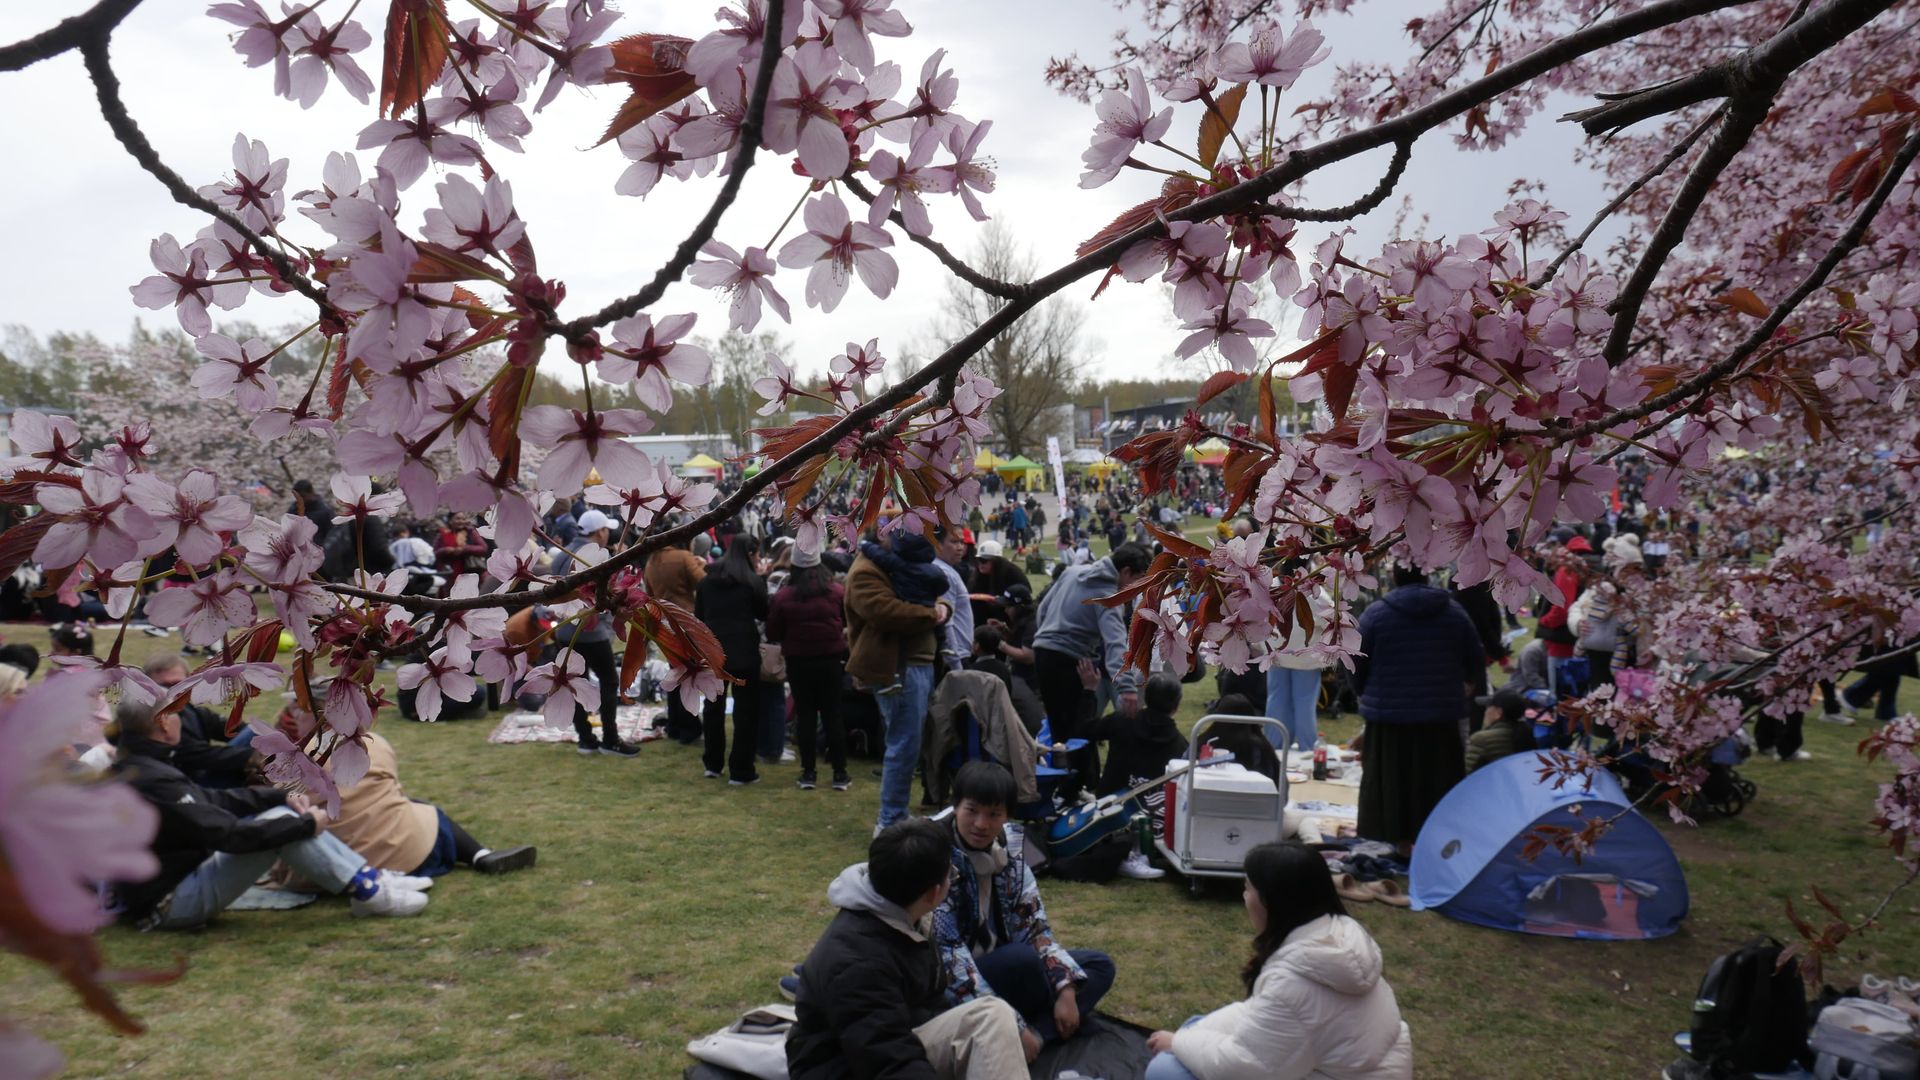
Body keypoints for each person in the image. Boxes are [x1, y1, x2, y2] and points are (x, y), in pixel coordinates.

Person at [109, 701, 430, 928]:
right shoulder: (152, 778)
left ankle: (366, 880)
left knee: (282, 817)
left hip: (172, 884)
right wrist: (305, 825)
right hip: (167, 903)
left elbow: (214, 799)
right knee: (283, 826)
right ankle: (366, 889)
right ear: (165, 723)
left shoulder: (140, 766)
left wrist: (279, 796)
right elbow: (229, 836)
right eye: (178, 714)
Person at [1143, 842, 1413, 1080]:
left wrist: (1178, 1043)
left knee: (1165, 1070)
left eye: (1248, 888)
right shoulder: (1336, 936)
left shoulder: (1295, 981)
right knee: (1194, 1026)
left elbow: (1244, 1067)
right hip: (1363, 1067)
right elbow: (1270, 1017)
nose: (1244, 896)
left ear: (1272, 901)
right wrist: (1188, 1036)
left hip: (1338, 1071)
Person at [786, 819, 1026, 1079]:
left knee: (990, 1017)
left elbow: (929, 1010)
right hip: (848, 1068)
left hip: (897, 1043)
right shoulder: (857, 962)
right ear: (934, 893)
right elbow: (887, 1061)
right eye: (950, 874)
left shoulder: (905, 917)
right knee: (989, 1019)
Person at [933, 763, 1116, 1057]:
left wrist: (1066, 989)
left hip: (1007, 968)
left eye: (994, 815)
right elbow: (950, 958)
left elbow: (1034, 926)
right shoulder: (934, 857)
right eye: (972, 811)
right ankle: (1026, 1030)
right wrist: (1015, 1026)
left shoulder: (1010, 848)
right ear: (955, 807)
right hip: (953, 984)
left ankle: (1038, 1035)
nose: (981, 824)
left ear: (1007, 815)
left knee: (1099, 966)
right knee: (1021, 960)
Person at [1351, 566, 1484, 853]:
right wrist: (1467, 684)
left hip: (1389, 713)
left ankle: (1397, 841)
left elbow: (1355, 662)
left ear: (1394, 577)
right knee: (1436, 781)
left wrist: (1364, 692)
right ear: (1426, 574)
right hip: (1440, 713)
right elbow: (1475, 657)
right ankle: (1435, 842)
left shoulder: (1376, 614)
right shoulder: (1453, 612)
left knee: (1394, 783)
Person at [317, 725, 536, 877]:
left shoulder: (305, 753)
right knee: (427, 813)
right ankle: (480, 855)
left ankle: (480, 856)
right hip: (402, 856)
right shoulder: (373, 743)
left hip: (329, 867)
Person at [846, 531, 950, 831]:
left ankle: (896, 815)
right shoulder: (866, 570)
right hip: (900, 668)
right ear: (882, 534)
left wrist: (943, 606)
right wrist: (932, 614)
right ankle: (890, 821)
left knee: (908, 744)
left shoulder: (894, 563)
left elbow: (926, 589)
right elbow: (884, 612)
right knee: (903, 745)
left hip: (914, 665)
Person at [1031, 542, 1152, 794]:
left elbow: (1042, 608)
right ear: (1125, 572)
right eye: (1138, 580)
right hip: (1070, 661)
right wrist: (1127, 688)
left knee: (1059, 728)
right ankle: (1074, 789)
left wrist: (1045, 638)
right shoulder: (1108, 596)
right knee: (1079, 730)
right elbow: (1116, 643)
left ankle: (1065, 786)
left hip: (1043, 652)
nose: (1137, 588)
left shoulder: (1073, 571)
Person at [548, 510, 641, 758]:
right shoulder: (599, 556)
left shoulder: (561, 554)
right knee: (608, 682)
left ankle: (586, 739)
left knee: (575, 684)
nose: (608, 534)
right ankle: (610, 739)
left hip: (564, 630)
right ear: (600, 532)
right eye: (606, 530)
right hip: (592, 632)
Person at [1082, 672, 1188, 880]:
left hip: (1108, 809)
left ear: (1145, 697)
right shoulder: (1181, 746)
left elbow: (1084, 730)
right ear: (1176, 706)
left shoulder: (1121, 721)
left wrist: (1089, 692)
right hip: (1148, 820)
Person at [768, 544, 850, 791]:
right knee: (833, 714)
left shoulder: (784, 596)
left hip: (799, 661)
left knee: (805, 715)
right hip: (831, 659)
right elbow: (846, 619)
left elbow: (773, 631)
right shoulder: (836, 591)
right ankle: (840, 773)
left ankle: (808, 772)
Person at [695, 533, 770, 785]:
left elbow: (699, 616)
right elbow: (764, 613)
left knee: (713, 709)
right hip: (744, 652)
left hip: (714, 651)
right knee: (746, 712)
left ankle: (713, 763)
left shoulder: (707, 581)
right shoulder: (752, 582)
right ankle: (741, 769)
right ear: (750, 554)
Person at [142, 653, 260, 788]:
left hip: (201, 777)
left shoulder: (192, 711)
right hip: (184, 787)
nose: (173, 692)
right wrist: (253, 756)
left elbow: (230, 729)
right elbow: (200, 756)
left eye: (179, 685)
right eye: (164, 686)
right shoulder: (147, 720)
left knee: (255, 732)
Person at [644, 532, 708, 744]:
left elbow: (649, 594)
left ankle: (675, 724)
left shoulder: (651, 562)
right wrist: (703, 565)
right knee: (688, 674)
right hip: (685, 619)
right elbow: (704, 583)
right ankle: (689, 727)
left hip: (663, 622)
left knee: (677, 672)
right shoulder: (683, 557)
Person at [933, 527, 976, 676]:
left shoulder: (947, 569)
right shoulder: (944, 573)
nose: (960, 547)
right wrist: (956, 664)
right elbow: (946, 620)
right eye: (954, 542)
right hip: (955, 658)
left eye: (962, 542)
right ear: (938, 544)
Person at [1465, 688, 1538, 773]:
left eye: (1488, 707)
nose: (1486, 711)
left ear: (1499, 712)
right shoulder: (1528, 731)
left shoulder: (1481, 739)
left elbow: (1470, 774)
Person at [289, 478, 334, 543]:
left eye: (302, 496)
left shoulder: (324, 512)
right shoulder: (293, 510)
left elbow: (332, 536)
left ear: (311, 492)